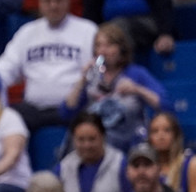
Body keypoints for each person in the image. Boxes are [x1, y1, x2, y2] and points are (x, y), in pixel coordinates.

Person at [0, 0, 98, 132]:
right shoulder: (27, 32)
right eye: (47, 1)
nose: (53, 6)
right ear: (40, 3)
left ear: (68, 1)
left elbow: (97, 69)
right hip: (33, 109)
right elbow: (5, 68)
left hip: (73, 108)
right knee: (5, 120)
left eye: (58, 0)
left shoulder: (87, 30)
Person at [62, 22, 171, 151]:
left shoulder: (136, 73)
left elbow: (166, 105)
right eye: (98, 45)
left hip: (129, 142)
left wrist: (137, 89)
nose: (102, 51)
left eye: (109, 45)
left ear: (121, 49)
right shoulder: (92, 76)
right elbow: (66, 112)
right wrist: (82, 80)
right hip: (95, 145)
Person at [55, 112, 125, 192]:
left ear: (103, 137)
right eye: (81, 140)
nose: (87, 145)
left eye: (92, 139)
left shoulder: (120, 163)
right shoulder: (63, 167)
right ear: (73, 140)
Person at [148, 111, 196, 192]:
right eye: (155, 131)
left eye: (167, 130)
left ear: (176, 135)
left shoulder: (192, 165)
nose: (161, 136)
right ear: (149, 137)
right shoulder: (145, 168)